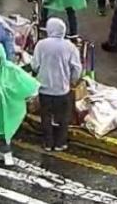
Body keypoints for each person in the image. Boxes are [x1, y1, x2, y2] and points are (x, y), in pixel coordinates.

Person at [32, 18, 82, 151]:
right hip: (62, 89)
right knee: (63, 117)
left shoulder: (41, 45)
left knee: (46, 116)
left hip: (44, 88)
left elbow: (35, 65)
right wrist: (72, 80)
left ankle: (48, 143)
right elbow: (77, 68)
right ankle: (61, 143)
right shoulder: (70, 47)